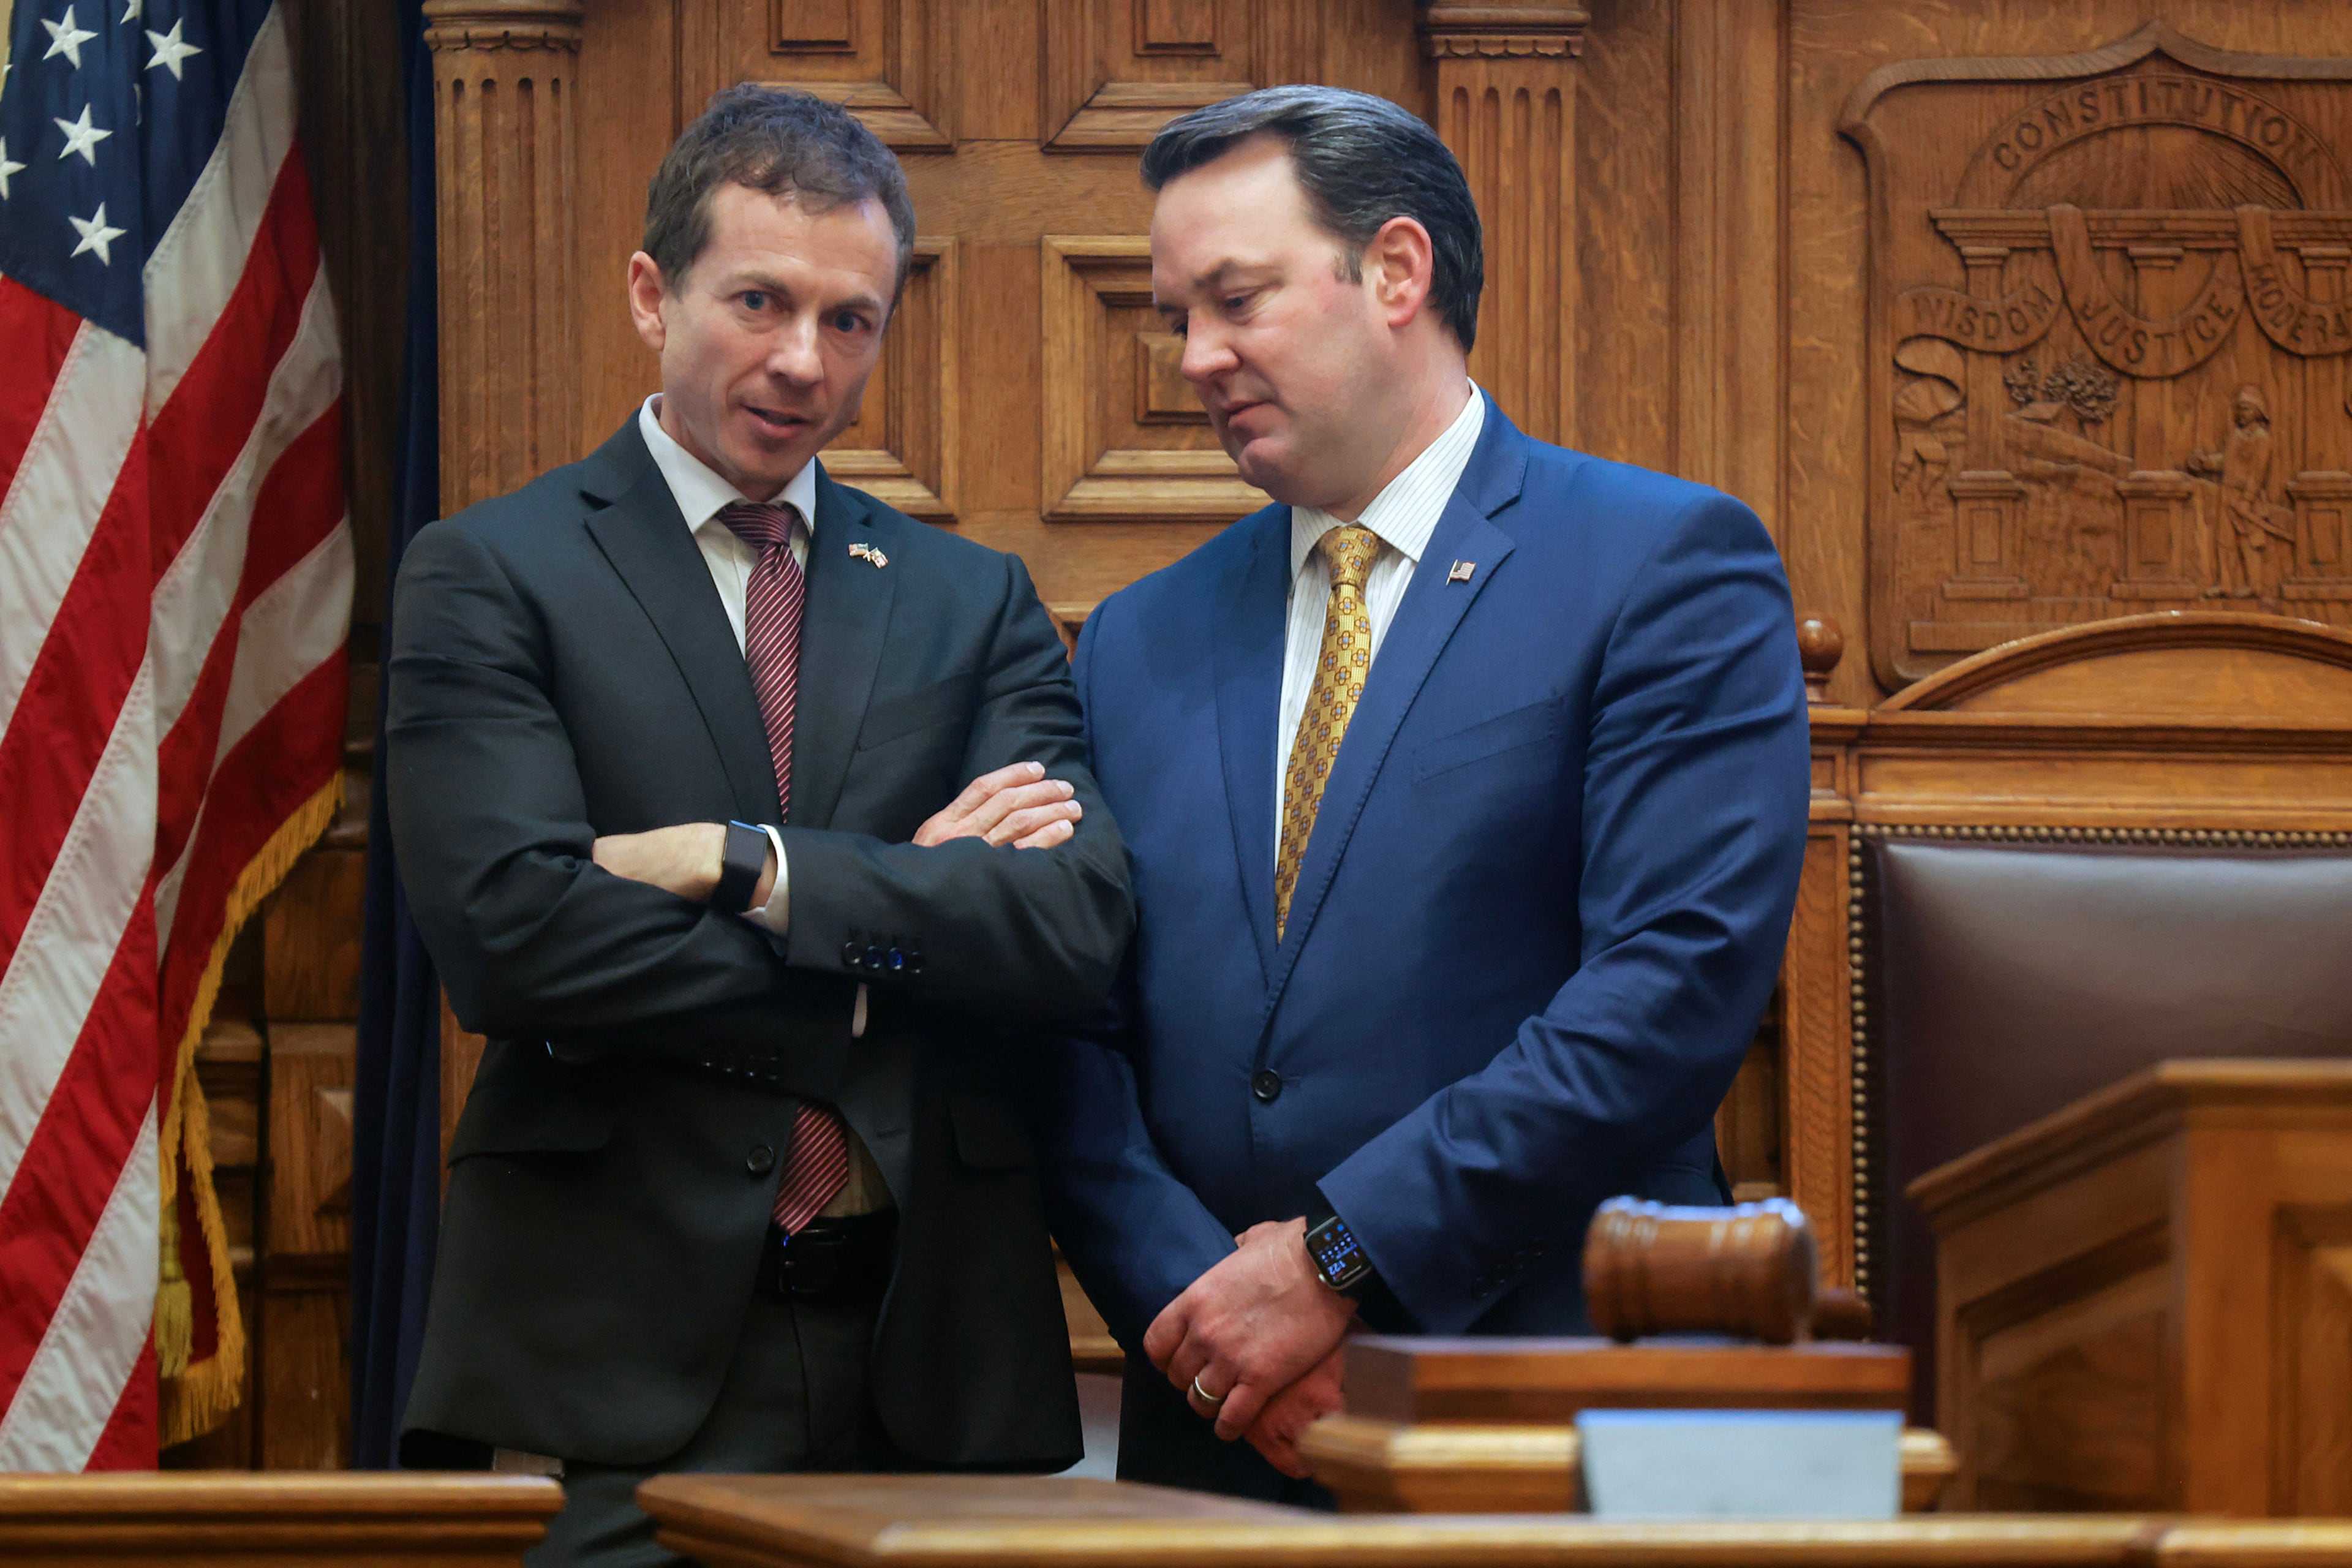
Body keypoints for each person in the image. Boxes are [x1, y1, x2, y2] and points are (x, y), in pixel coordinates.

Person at [386, 87, 1133, 1566]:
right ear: (653, 294)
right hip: (617, 1349)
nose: (805, 361)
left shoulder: (966, 600)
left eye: (851, 320)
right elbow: (516, 943)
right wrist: (898, 941)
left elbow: (1075, 928)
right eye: (760, 301)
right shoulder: (489, 573)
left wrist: (757, 869)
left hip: (933, 1343)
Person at [1042, 85, 1811, 1502]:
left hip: (1546, 1392)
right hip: (1215, 1420)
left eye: (1237, 299)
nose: (1196, 357)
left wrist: (1340, 1255)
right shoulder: (1138, 637)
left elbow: (1672, 986)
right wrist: (1217, 1318)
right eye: (1177, 315)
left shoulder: (1662, 565)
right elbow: (1073, 1033)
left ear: (1396, 270)